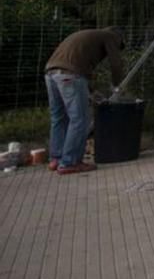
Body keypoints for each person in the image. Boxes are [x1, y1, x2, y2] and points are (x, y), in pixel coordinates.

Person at [44, 27, 124, 174]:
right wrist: (116, 85)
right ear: (118, 38)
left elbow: (77, 64)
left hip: (51, 73)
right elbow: (115, 62)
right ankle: (70, 162)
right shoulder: (110, 36)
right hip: (70, 75)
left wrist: (92, 91)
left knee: (58, 118)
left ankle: (56, 159)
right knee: (80, 119)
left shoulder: (89, 35)